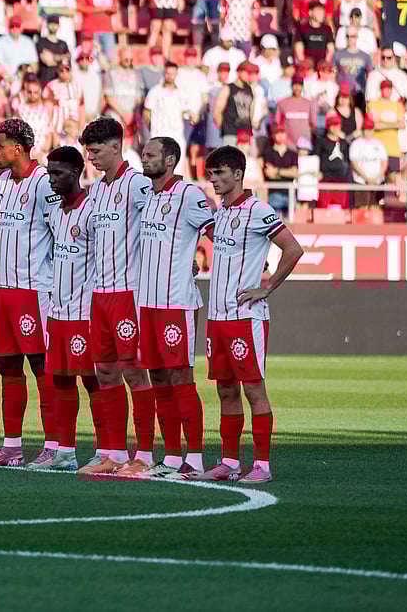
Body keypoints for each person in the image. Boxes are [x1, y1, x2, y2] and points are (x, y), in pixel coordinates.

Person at [197, 145, 303, 483]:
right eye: (211, 174)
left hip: (246, 318)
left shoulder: (258, 210)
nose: (214, 179)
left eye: (220, 173)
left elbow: (293, 248)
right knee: (225, 390)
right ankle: (228, 463)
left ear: (238, 174)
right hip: (217, 317)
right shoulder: (222, 212)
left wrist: (267, 287)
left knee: (253, 389)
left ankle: (262, 466)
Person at [73, 117, 156, 477]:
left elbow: (160, 227)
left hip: (129, 293)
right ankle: (114, 451)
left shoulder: (138, 186)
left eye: (95, 150)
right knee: (104, 371)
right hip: (99, 293)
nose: (90, 157)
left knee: (134, 372)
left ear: (116, 147)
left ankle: (146, 455)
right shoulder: (96, 191)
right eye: (87, 151)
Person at [130, 137, 214, 479]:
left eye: (151, 155)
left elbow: (215, 232)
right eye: (144, 154)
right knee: (158, 378)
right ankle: (172, 456)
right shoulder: (147, 196)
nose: (145, 160)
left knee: (181, 377)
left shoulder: (189, 195)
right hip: (146, 302)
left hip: (175, 302)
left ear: (170, 160)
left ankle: (194, 458)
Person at [0, 119, 57, 468]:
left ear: (19, 148)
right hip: (5, 290)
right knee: (7, 366)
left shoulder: (44, 184)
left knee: (42, 366)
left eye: (0, 144)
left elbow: (61, 232)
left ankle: (55, 446)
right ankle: (11, 447)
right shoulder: (4, 182)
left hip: (35, 291)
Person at [35, 145, 104, 472]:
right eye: (49, 173)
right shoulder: (53, 212)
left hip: (85, 313)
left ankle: (106, 450)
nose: (51, 179)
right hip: (57, 312)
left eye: (58, 173)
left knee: (93, 381)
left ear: (76, 173)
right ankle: (64, 452)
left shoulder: (92, 210)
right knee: (59, 381)